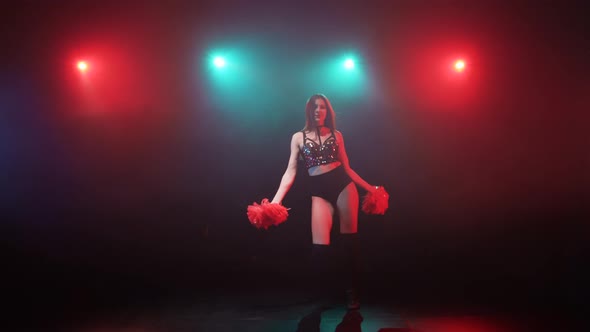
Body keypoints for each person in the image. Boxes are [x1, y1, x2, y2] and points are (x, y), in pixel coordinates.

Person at [271, 93, 378, 310]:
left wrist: (371, 189)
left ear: (327, 111)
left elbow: (347, 168)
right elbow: (290, 171)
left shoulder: (337, 135)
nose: (318, 110)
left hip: (342, 186)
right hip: (318, 191)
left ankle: (352, 292)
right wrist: (275, 201)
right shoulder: (298, 137)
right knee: (320, 248)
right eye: (314, 107)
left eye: (322, 107)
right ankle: (325, 291)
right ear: (309, 111)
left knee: (349, 243)